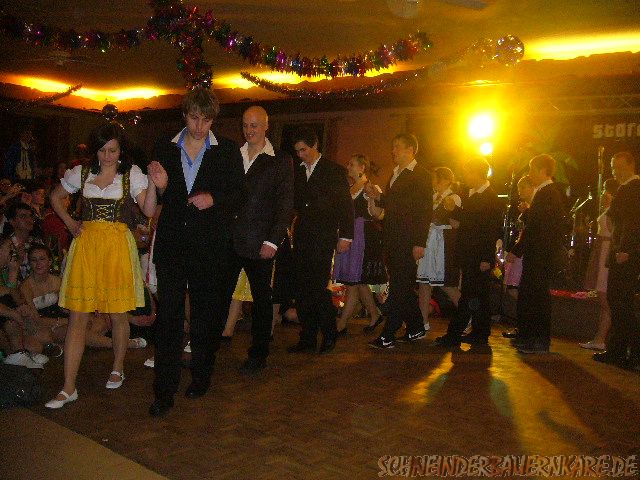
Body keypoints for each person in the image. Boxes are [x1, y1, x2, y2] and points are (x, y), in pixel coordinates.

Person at [44, 123, 159, 409]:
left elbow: (148, 210)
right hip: (87, 247)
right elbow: (55, 197)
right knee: (77, 316)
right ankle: (68, 387)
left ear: (121, 151)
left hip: (117, 247)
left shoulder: (131, 174)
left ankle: (118, 366)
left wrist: (153, 184)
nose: (107, 156)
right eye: (102, 150)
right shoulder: (82, 174)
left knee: (118, 313)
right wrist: (70, 222)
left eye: (113, 150)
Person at [149, 87, 244, 417]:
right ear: (184, 115)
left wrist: (214, 199)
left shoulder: (226, 150)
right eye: (193, 118)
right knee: (169, 319)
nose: (199, 126)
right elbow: (161, 199)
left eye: (206, 120)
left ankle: (201, 376)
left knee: (205, 316)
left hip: (209, 247)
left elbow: (240, 195)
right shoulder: (164, 147)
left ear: (213, 120)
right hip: (173, 245)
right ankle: (164, 391)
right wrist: (162, 187)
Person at [229, 105, 294, 373]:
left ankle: (258, 354)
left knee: (261, 301)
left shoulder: (280, 160)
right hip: (231, 240)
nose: (249, 130)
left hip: (260, 243)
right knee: (218, 295)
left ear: (266, 126)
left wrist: (273, 241)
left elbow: (285, 204)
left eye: (254, 125)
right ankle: (206, 345)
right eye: (245, 125)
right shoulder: (233, 155)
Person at [287, 126, 353, 355]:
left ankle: (329, 333)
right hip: (303, 235)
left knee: (317, 287)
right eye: (297, 151)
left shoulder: (333, 170)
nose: (300, 155)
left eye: (304, 150)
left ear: (315, 146)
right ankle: (307, 337)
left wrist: (346, 235)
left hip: (324, 236)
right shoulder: (298, 171)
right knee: (302, 288)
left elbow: (346, 205)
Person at [366, 133, 432, 349]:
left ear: (410, 149)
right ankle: (416, 327)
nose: (393, 151)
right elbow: (395, 205)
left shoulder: (420, 174)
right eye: (393, 146)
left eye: (397, 146)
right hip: (393, 238)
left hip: (408, 239)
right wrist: (378, 197)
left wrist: (419, 242)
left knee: (399, 286)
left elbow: (423, 210)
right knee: (401, 284)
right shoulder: (396, 173)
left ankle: (388, 333)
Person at [434, 158, 502, 348]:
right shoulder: (473, 195)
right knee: (477, 296)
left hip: (478, 255)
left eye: (468, 173)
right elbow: (468, 221)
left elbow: (491, 230)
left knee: (471, 296)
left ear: (476, 173)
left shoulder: (490, 198)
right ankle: (479, 333)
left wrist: (486, 258)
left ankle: (455, 334)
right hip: (470, 254)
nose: (466, 177)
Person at [512, 154, 568, 354]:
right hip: (538, 254)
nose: (530, 174)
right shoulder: (545, 193)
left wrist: (520, 250)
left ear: (542, 170)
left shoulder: (548, 193)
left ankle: (539, 339)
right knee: (532, 295)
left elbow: (541, 227)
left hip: (541, 255)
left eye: (532, 169)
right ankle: (530, 336)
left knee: (537, 296)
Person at [594, 151, 640, 368]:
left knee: (622, 302)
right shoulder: (626, 189)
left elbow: (633, 222)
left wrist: (625, 249)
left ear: (631, 165)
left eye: (620, 167)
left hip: (625, 253)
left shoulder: (633, 188)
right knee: (617, 300)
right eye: (613, 167)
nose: (616, 172)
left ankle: (630, 352)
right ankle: (618, 350)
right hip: (620, 250)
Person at [333, 154, 387, 334]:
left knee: (354, 282)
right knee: (359, 282)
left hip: (362, 236)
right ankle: (375, 315)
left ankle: (341, 324)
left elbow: (378, 214)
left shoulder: (369, 187)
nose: (348, 167)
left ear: (362, 167)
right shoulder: (350, 188)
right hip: (349, 234)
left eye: (351, 164)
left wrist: (373, 197)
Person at [416, 167, 462, 331]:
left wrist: (446, 213)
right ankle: (422, 322)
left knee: (446, 284)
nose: (433, 182)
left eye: (436, 178)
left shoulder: (454, 197)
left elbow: (455, 223)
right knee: (424, 283)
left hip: (443, 243)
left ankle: (467, 316)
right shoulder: (433, 197)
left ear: (446, 180)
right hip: (430, 241)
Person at [580, 178, 618, 351]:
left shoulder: (614, 210)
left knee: (604, 296)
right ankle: (600, 337)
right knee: (602, 296)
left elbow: (613, 232)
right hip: (601, 250)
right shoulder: (608, 209)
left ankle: (604, 337)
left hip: (605, 252)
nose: (602, 194)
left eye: (604, 190)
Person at [502, 174, 535, 339]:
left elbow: (530, 231)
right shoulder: (528, 207)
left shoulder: (534, 207)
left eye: (523, 187)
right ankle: (522, 323)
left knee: (516, 287)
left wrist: (515, 251)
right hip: (521, 251)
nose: (520, 191)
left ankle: (525, 323)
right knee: (514, 287)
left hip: (524, 253)